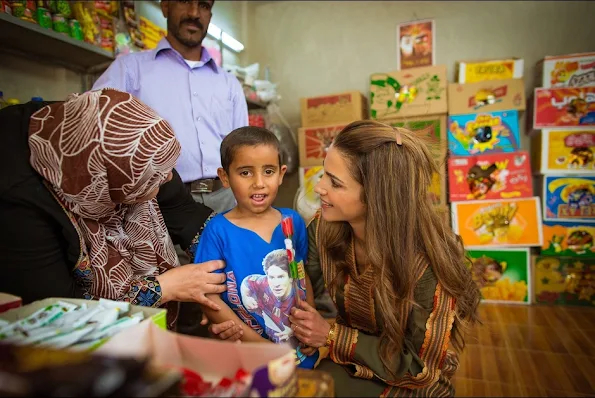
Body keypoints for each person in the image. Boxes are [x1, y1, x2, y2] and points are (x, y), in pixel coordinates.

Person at [0, 89, 231, 331]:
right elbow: (57, 310)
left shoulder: (120, 138)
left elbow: (184, 213)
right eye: (152, 179)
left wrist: (230, 263)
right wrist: (164, 288)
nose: (168, 178)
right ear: (102, 184)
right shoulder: (19, 205)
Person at [281, 120, 481, 396]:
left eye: (335, 183)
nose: (319, 188)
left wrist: (329, 334)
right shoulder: (323, 230)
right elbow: (304, 290)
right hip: (348, 356)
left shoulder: (428, 265)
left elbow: (419, 368)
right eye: (323, 175)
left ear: (377, 196)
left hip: (412, 379)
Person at [92, 0, 248, 213]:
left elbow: (244, 151)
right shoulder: (129, 70)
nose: (194, 13)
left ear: (210, 16)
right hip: (157, 204)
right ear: (165, 7)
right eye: (185, 2)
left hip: (226, 201)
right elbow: (90, 129)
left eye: (203, 5)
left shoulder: (229, 83)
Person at [194, 126, 319, 369]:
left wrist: (310, 326)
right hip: (247, 354)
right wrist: (261, 347)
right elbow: (208, 296)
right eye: (245, 173)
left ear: (281, 174)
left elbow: (301, 279)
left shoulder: (291, 222)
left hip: (299, 352)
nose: (259, 183)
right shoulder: (217, 232)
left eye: (268, 171)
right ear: (225, 177)